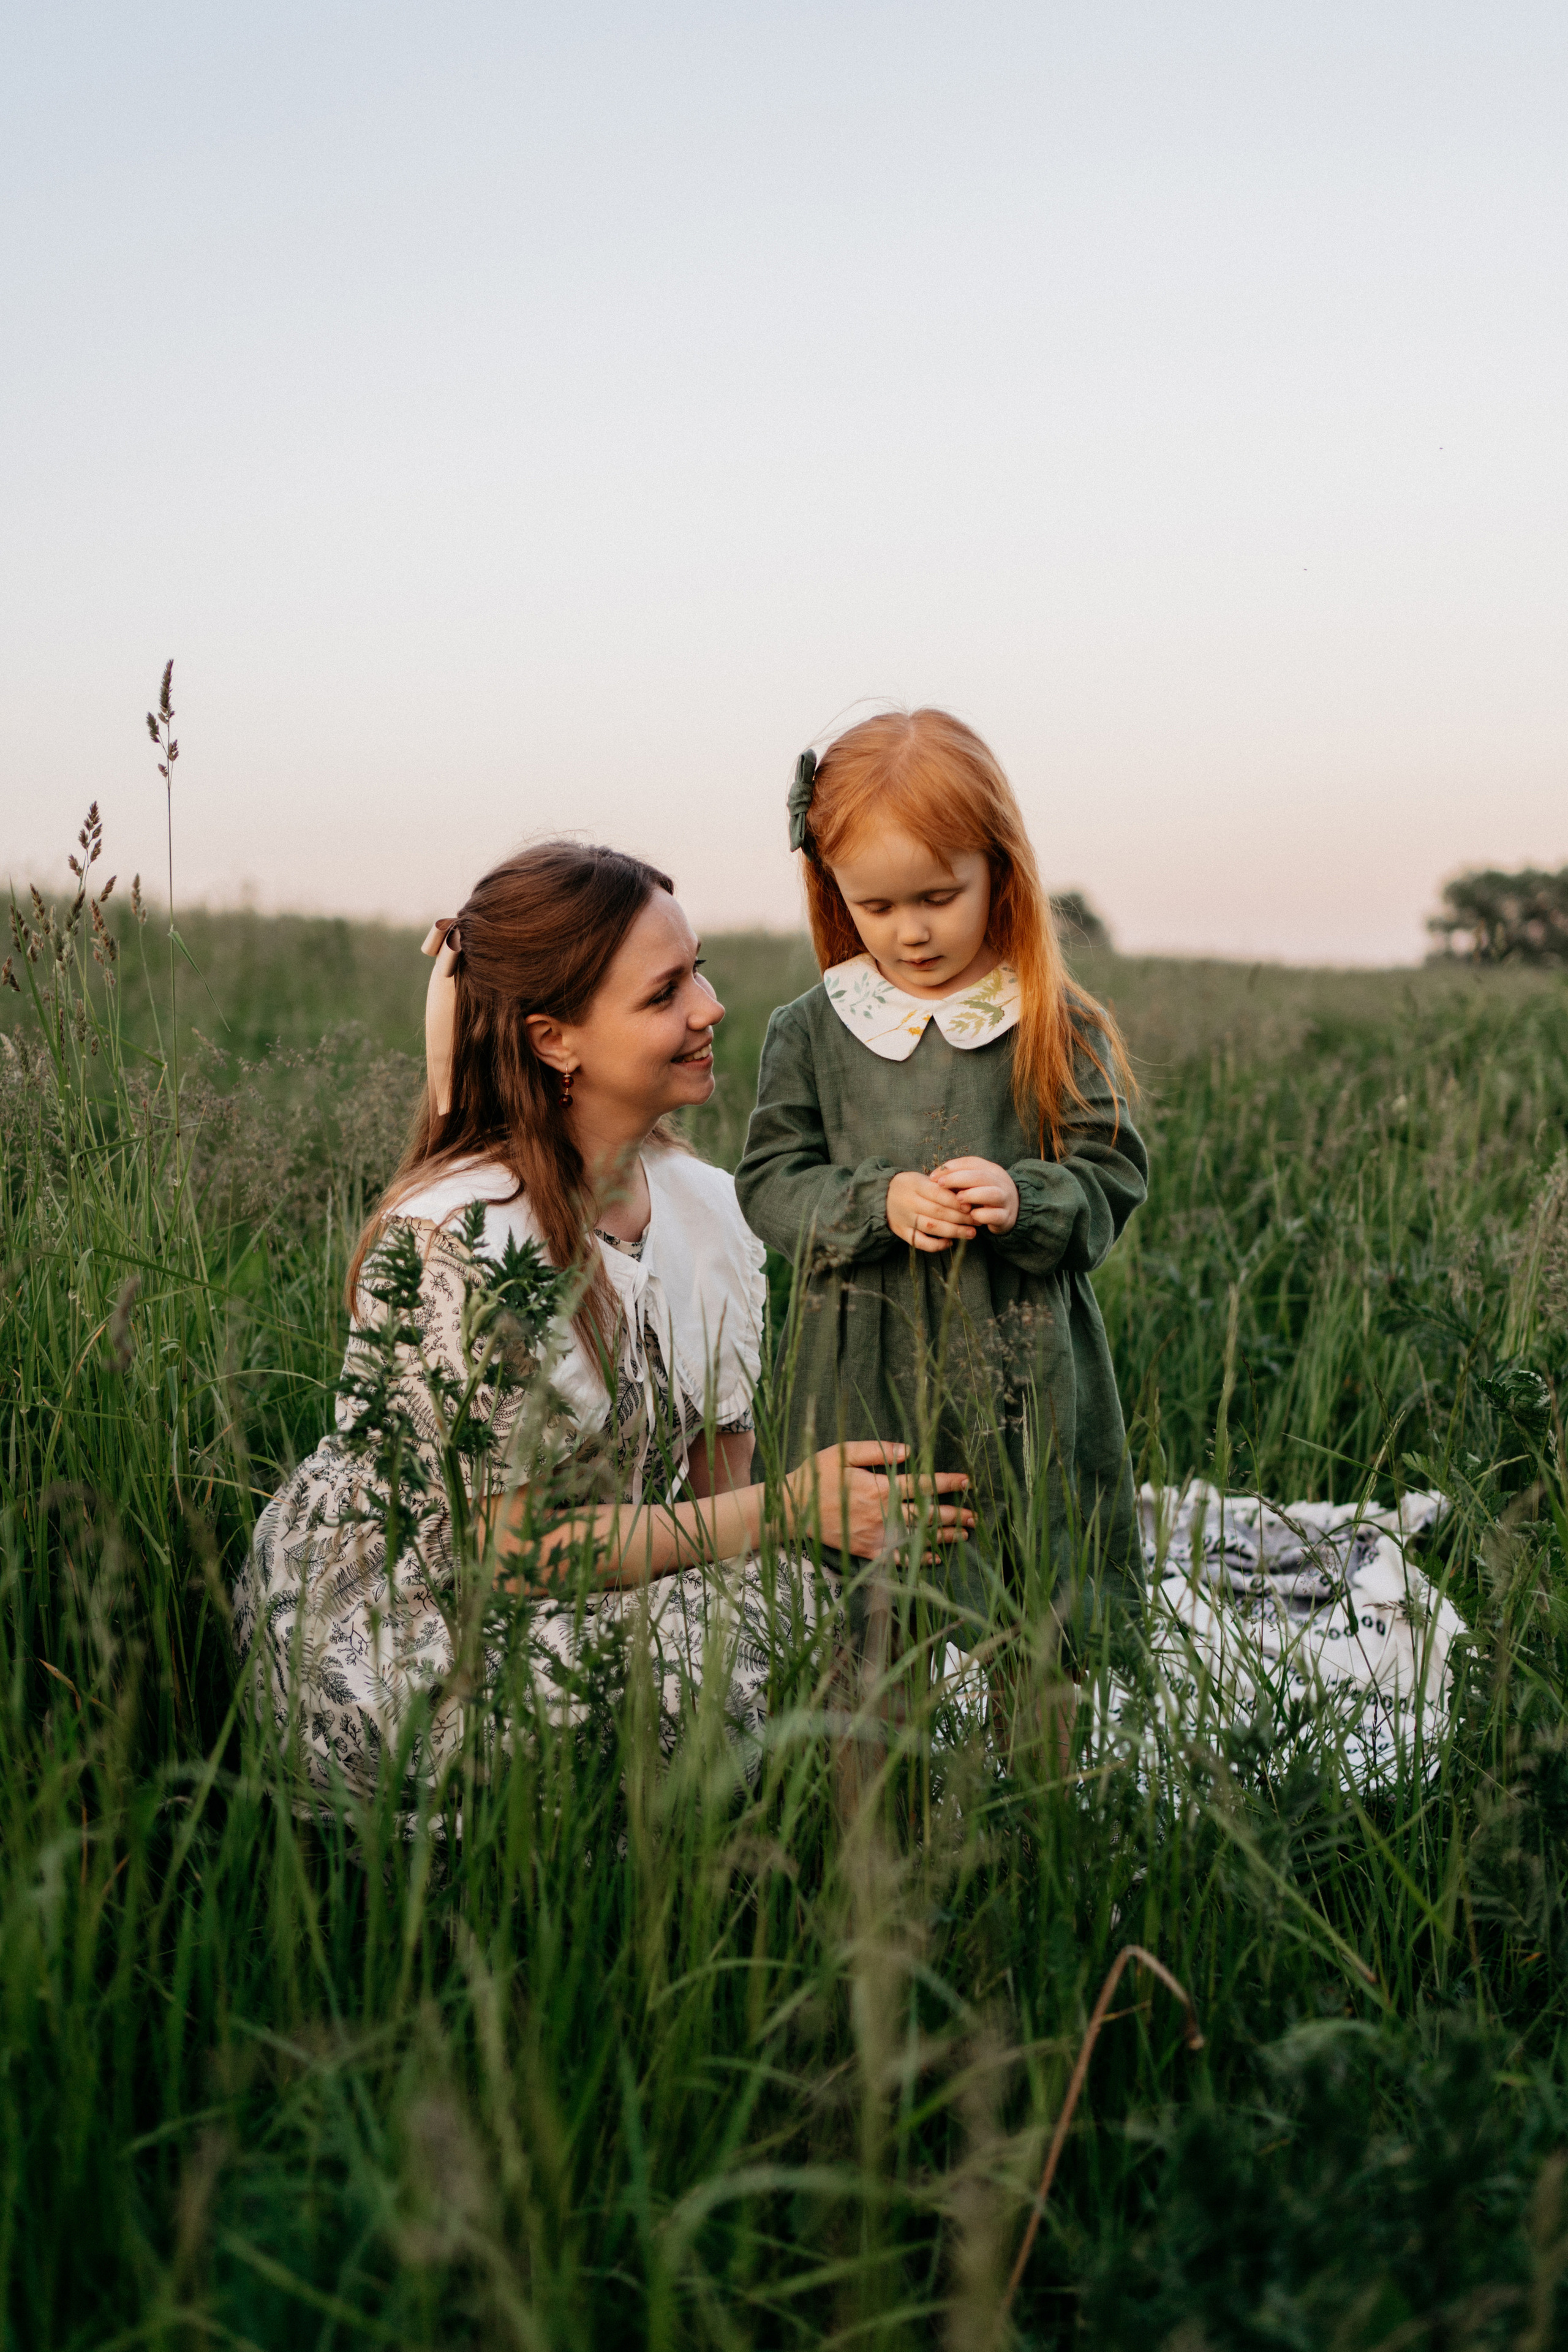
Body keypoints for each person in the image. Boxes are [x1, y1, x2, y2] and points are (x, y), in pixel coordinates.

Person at [232, 839, 973, 1800]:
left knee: (849, 1606)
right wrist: (790, 1512)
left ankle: (852, 1826)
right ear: (554, 1039)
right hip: (409, 1637)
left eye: (697, 969)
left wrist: (809, 1540)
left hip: (583, 1593)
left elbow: (721, 1485)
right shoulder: (461, 1240)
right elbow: (507, 1551)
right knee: (756, 1645)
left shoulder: (708, 1207)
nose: (710, 1007)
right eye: (665, 993)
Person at [733, 710, 1148, 1646]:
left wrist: (1028, 1196)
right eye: (876, 907)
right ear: (834, 890)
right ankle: (881, 1789)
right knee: (873, 1622)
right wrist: (874, 1201)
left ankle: (1045, 1780)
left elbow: (1111, 1170)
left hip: (1027, 1360)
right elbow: (768, 1182)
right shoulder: (813, 1027)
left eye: (938, 896)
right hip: (863, 1369)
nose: (910, 932)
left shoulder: (1049, 1015)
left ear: (999, 869)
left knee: (1041, 1590)